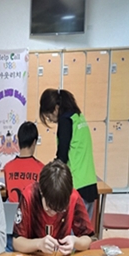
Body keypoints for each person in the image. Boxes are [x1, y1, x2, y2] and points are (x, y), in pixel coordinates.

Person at [39, 88, 98, 219]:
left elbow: (62, 157)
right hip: (89, 183)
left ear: (56, 108)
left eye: (49, 116)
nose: (51, 120)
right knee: (83, 229)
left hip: (75, 186)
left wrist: (49, 172)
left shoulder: (66, 121)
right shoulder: (78, 117)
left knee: (69, 230)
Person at [13, 160, 93, 255]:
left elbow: (88, 239)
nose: (53, 213)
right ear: (41, 191)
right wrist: (38, 244)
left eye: (60, 210)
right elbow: (16, 242)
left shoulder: (73, 197)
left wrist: (75, 241)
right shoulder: (29, 196)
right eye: (49, 207)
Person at [3, 121, 44, 203]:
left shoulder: (7, 167)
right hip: (33, 211)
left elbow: (7, 194)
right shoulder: (42, 169)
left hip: (12, 211)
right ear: (34, 142)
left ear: (18, 141)